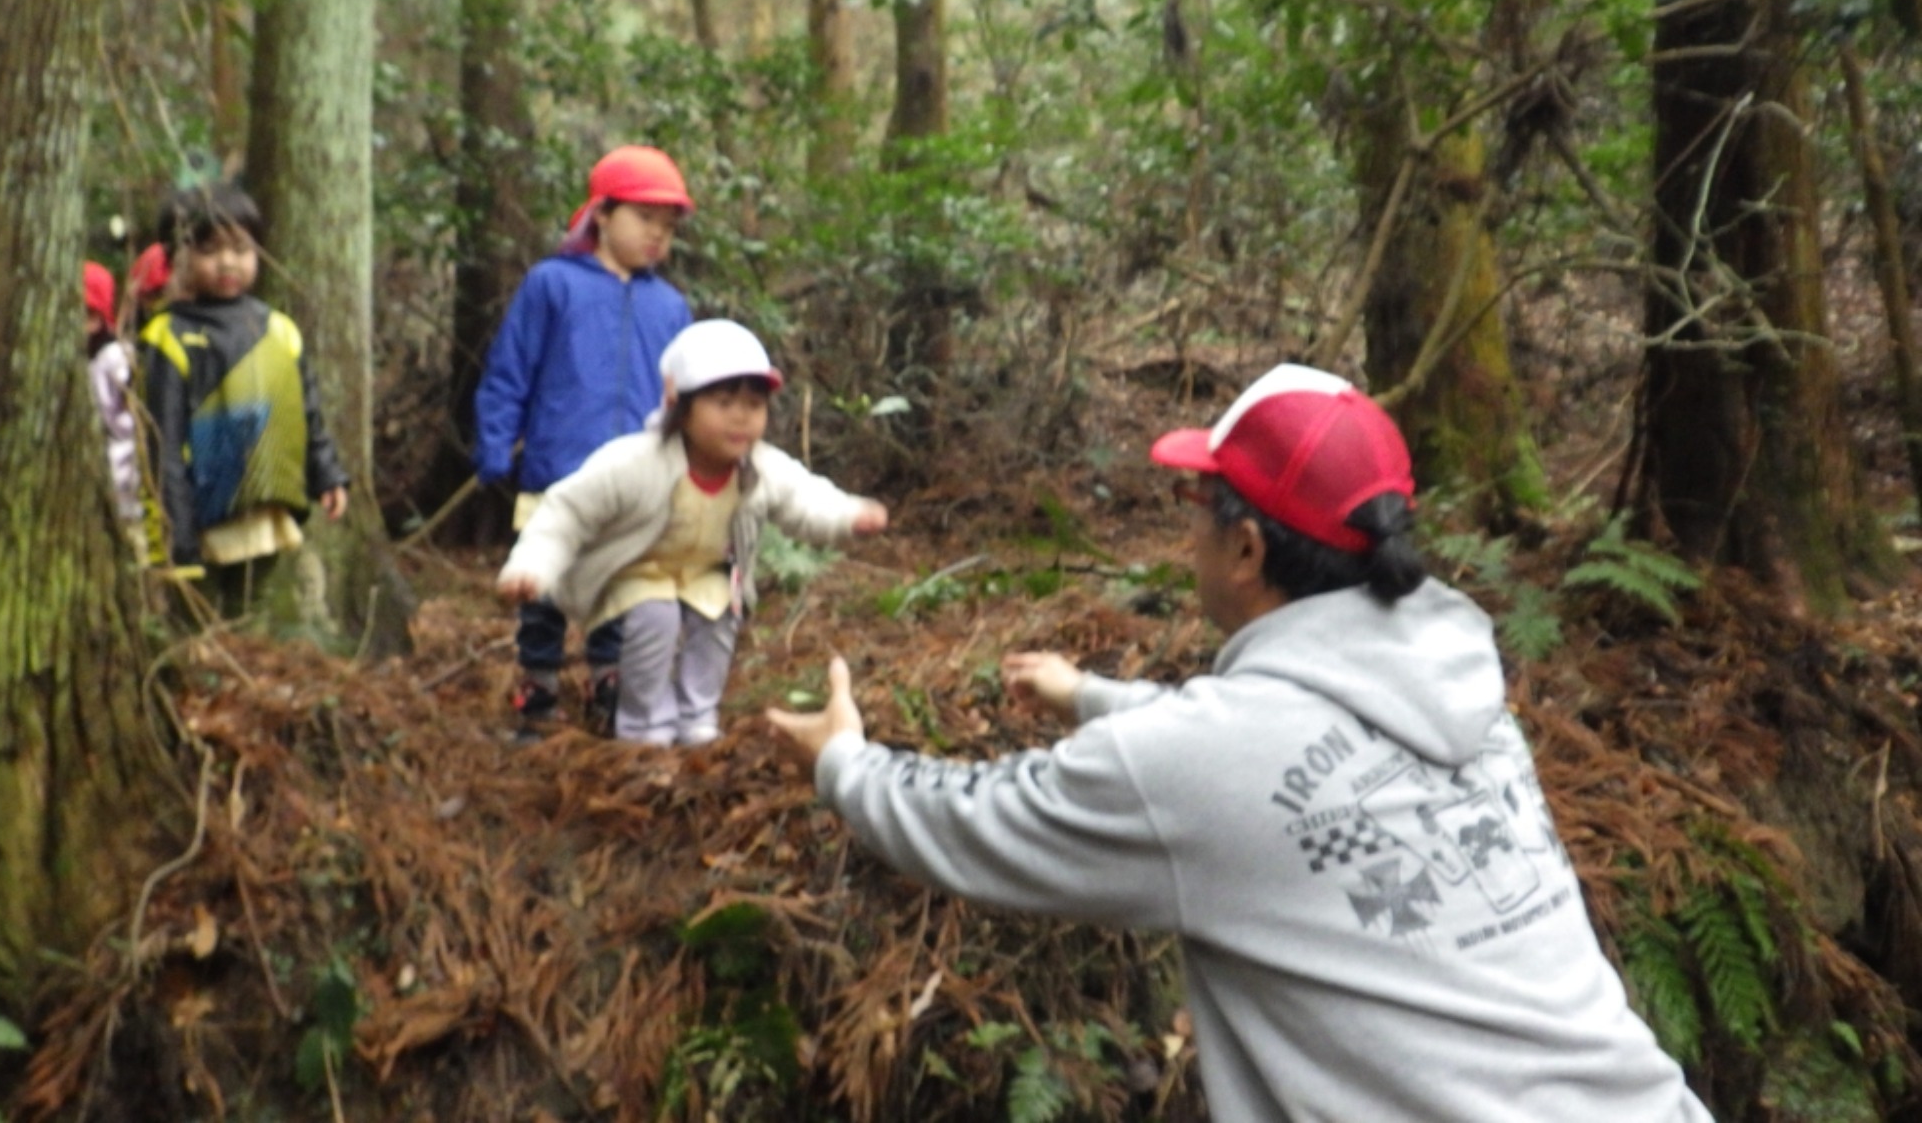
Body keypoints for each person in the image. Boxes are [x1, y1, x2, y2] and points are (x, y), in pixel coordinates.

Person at [768, 364, 1713, 1123]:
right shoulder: (1458, 688)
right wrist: (1092, 697)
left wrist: (845, 761)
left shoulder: (1207, 758)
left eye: (1198, 506)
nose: (1190, 533)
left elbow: (978, 823)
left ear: (1249, 549)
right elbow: (1269, 759)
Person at [498, 319, 888, 747]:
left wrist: (849, 516)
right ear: (679, 404)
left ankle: (697, 717)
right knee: (656, 614)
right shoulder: (635, 462)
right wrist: (532, 567)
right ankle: (644, 725)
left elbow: (806, 499)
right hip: (636, 575)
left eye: (754, 405)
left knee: (722, 609)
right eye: (723, 402)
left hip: (704, 571)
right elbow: (565, 514)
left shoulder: (760, 467)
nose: (741, 417)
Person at [474, 144, 695, 727]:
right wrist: (495, 447)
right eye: (644, 219)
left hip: (635, 481)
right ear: (601, 214)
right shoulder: (552, 284)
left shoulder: (670, 307)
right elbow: (510, 370)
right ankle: (538, 687)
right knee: (543, 589)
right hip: (556, 467)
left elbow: (687, 397)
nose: (656, 236)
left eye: (667, 227)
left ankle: (609, 686)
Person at [137, 183, 350, 606]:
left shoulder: (278, 329)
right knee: (196, 611)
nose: (228, 262)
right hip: (202, 513)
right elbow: (160, 440)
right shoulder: (167, 336)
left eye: (241, 248)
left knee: (253, 606)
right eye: (211, 250)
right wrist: (175, 533)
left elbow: (307, 413)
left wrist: (326, 474)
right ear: (177, 255)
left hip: (265, 507)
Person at [83, 261, 143, 527]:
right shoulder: (87, 360)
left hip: (125, 467)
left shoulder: (115, 357)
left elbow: (132, 415)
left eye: (87, 314)